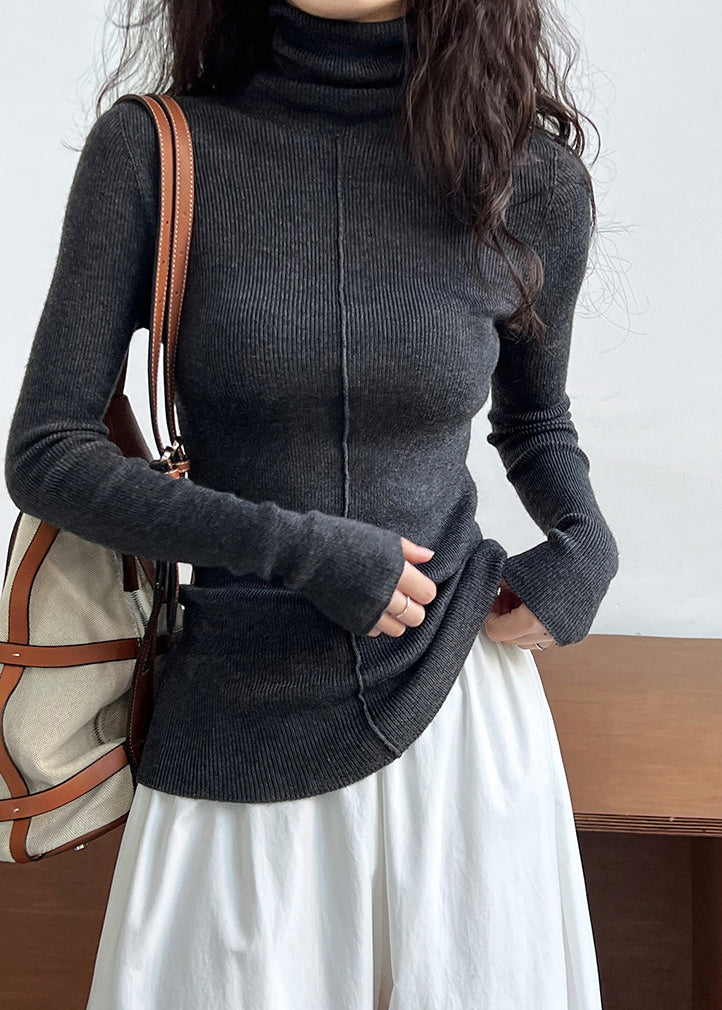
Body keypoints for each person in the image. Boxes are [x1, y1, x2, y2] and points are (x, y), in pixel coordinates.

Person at [4, 0, 619, 1006]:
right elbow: (47, 452)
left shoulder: (529, 178)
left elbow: (536, 421)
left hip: (458, 733)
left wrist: (586, 546)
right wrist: (302, 551)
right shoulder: (156, 153)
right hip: (235, 730)